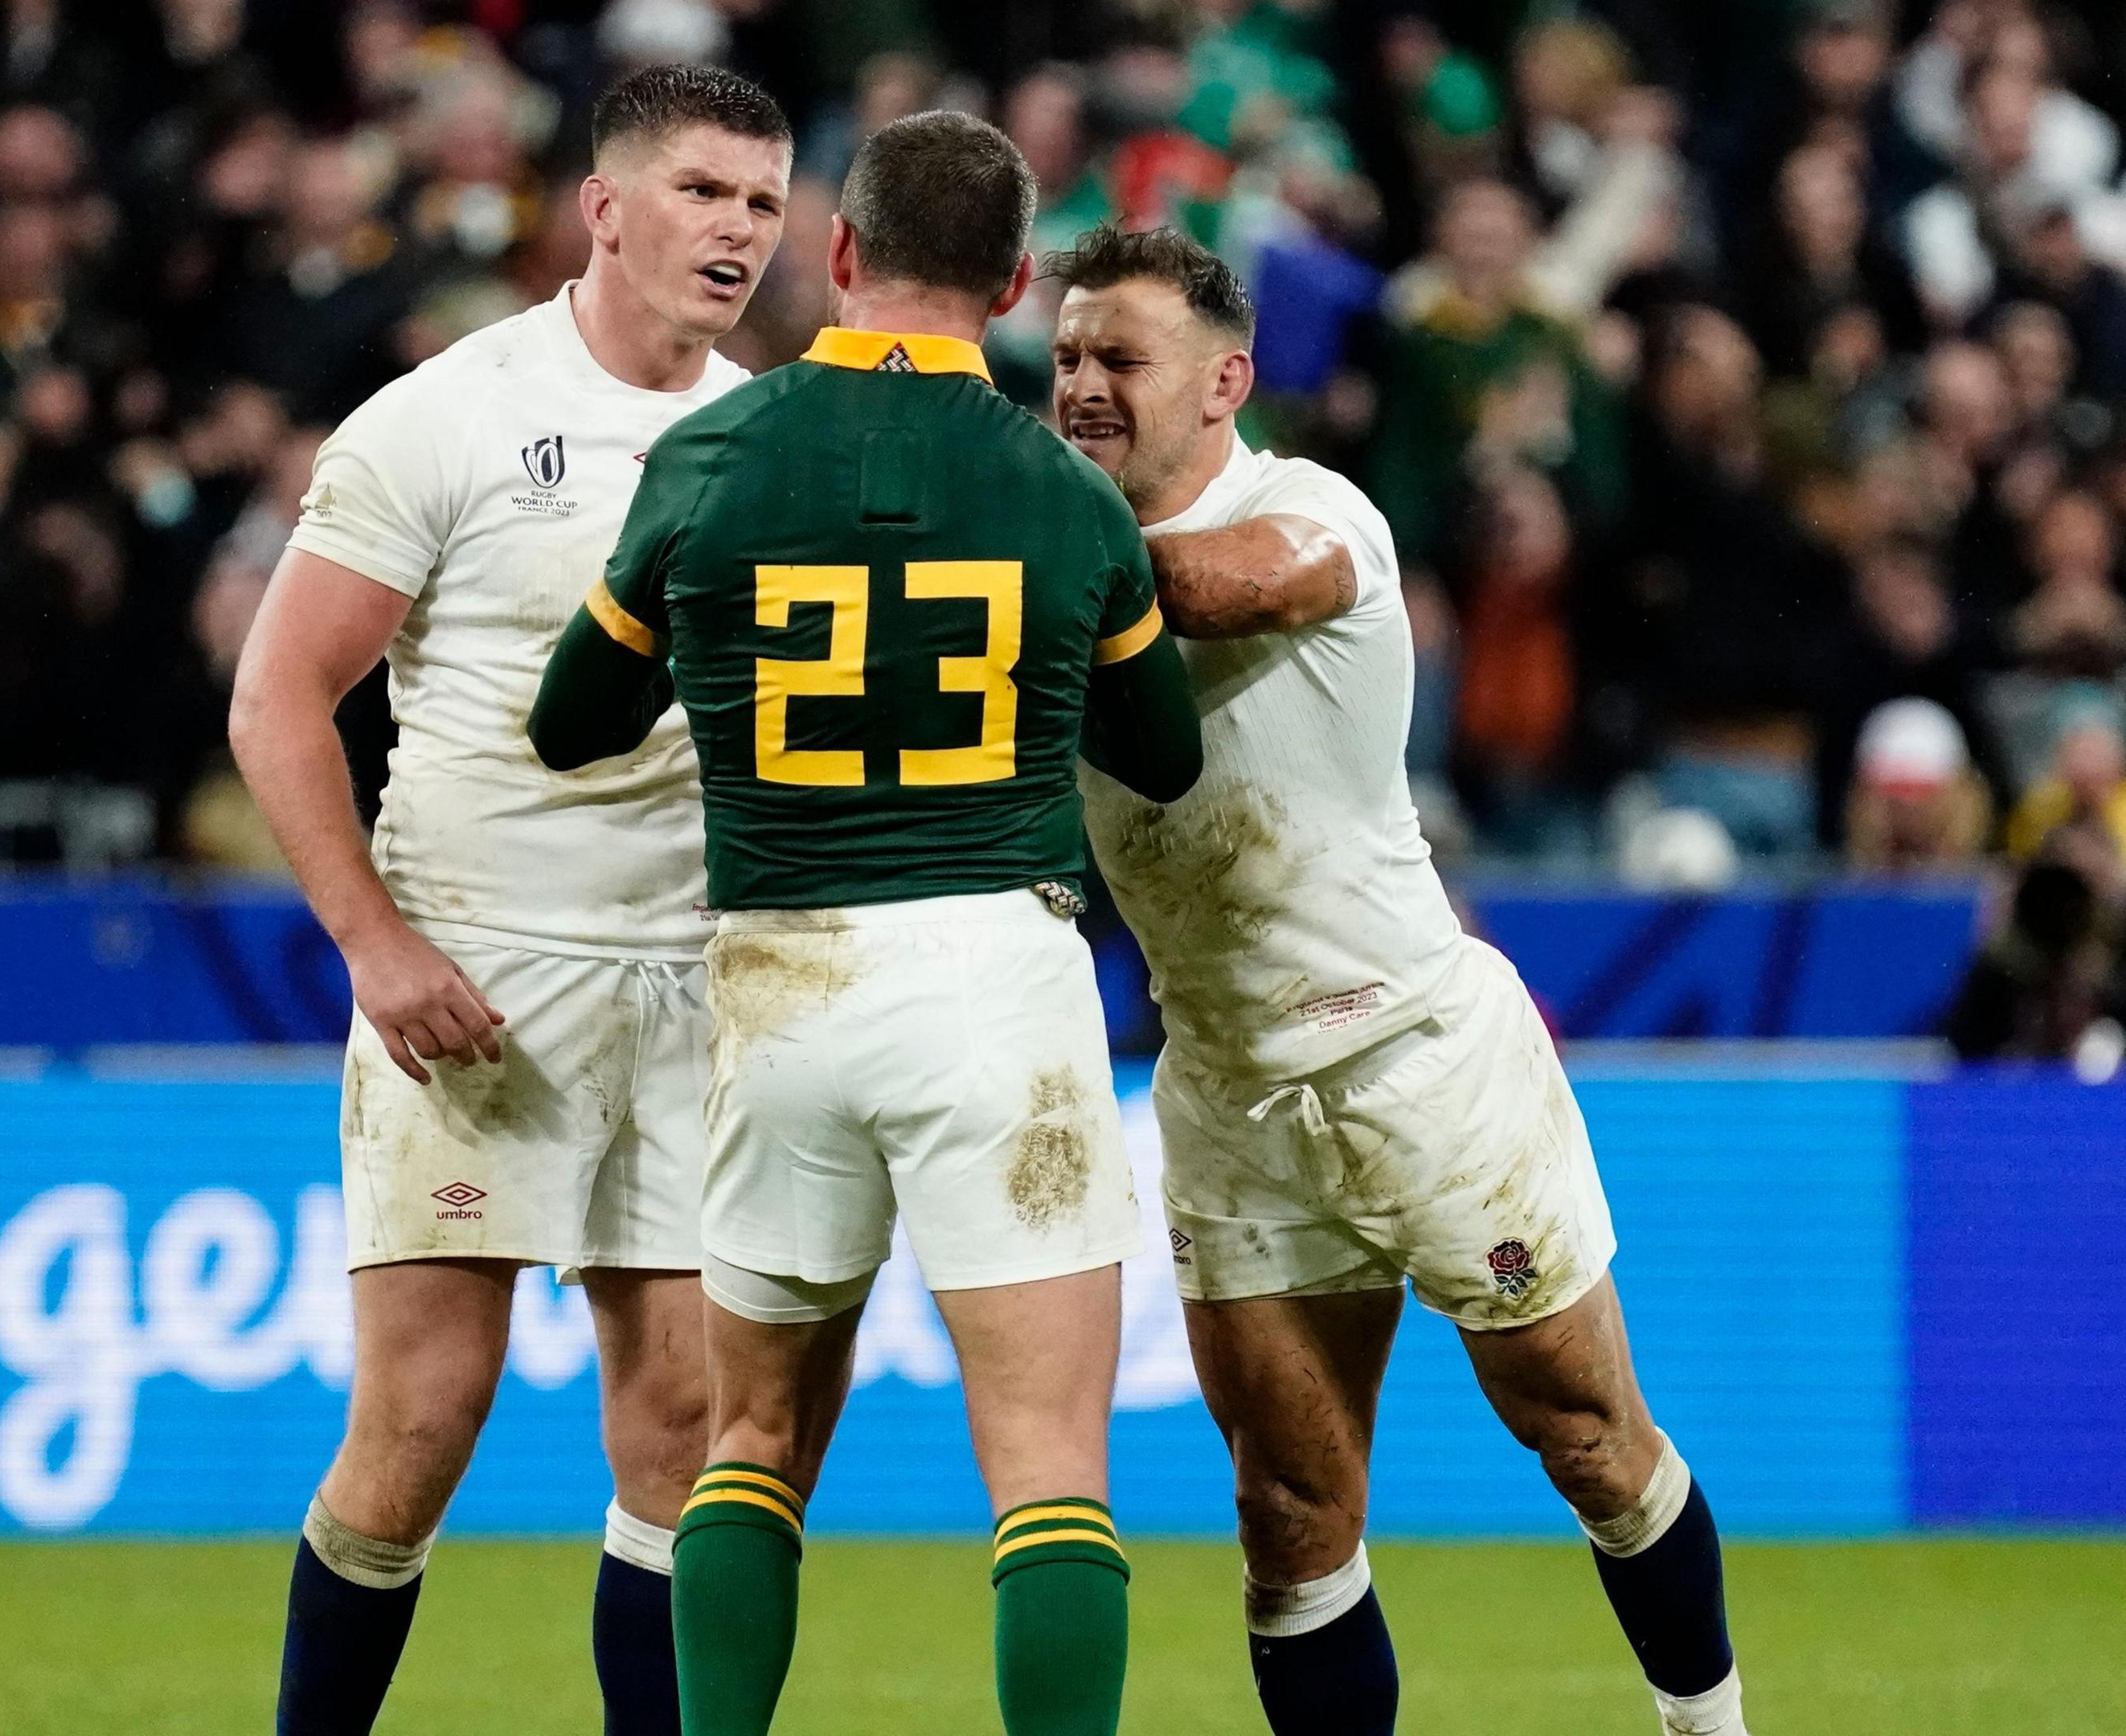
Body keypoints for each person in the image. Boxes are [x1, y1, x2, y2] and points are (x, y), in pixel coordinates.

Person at [531, 113, 1202, 1736]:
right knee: (1047, 1471)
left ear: (840, 251)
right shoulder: (1068, 494)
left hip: (778, 976)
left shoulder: (711, 455)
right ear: (1020, 283)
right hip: (994, 970)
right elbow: (1165, 761)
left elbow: (573, 725)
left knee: (748, 1449)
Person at [1050, 223, 1750, 1736]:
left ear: (1229, 378)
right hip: (1228, 1092)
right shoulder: (1049, 570)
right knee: (1290, 1511)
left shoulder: (1311, 517)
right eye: (1065, 358)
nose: (1083, 385)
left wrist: (1013, 556)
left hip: (1415, 1060)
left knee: (1583, 1438)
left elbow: (1240, 587)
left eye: (1122, 358)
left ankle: (1713, 1729)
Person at [226, 63, 792, 1736]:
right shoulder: (446, 415)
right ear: (604, 210)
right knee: (419, 1426)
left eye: (762, 203)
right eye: (702, 193)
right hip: (479, 979)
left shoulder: (759, 428)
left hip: (698, 983)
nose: (738, 232)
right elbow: (277, 698)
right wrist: (376, 947)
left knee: (685, 1432)